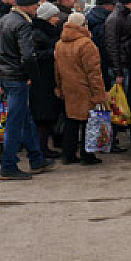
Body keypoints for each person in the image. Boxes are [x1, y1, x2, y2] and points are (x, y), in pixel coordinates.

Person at [0, 0, 55, 180]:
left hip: (5, 74)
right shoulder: (22, 25)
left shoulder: (2, 21)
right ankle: (8, 165)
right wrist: (32, 75)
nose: (37, 8)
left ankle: (36, 158)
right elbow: (28, 56)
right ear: (28, 6)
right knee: (15, 123)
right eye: (36, 5)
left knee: (25, 119)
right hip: (17, 77)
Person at [54, 12, 108, 165]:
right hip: (85, 89)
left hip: (68, 88)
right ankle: (87, 155)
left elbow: (56, 69)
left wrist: (59, 87)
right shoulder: (86, 44)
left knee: (71, 121)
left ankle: (68, 154)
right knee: (88, 122)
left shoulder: (60, 43)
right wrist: (98, 94)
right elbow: (94, 72)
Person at [104, 0, 131, 151]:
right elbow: (112, 46)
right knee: (117, 105)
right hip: (120, 68)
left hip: (123, 66)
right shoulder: (116, 19)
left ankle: (115, 138)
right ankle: (110, 140)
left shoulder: (120, 17)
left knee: (124, 103)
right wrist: (117, 72)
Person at [31, 1, 64, 158]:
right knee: (43, 117)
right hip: (42, 80)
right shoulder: (38, 34)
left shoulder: (45, 31)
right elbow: (34, 56)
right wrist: (52, 53)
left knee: (46, 116)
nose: (57, 19)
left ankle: (42, 147)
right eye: (54, 16)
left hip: (46, 78)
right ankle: (41, 149)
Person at [86, 0, 115, 89]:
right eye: (112, 5)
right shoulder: (105, 21)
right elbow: (106, 44)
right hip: (105, 62)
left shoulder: (89, 18)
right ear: (106, 6)